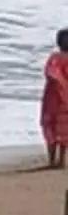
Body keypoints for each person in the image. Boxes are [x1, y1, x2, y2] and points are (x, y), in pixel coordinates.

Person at [45, 30, 68, 170]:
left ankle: (53, 160)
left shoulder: (54, 58)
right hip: (65, 96)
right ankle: (61, 161)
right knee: (64, 127)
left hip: (53, 97)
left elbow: (50, 73)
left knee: (50, 125)